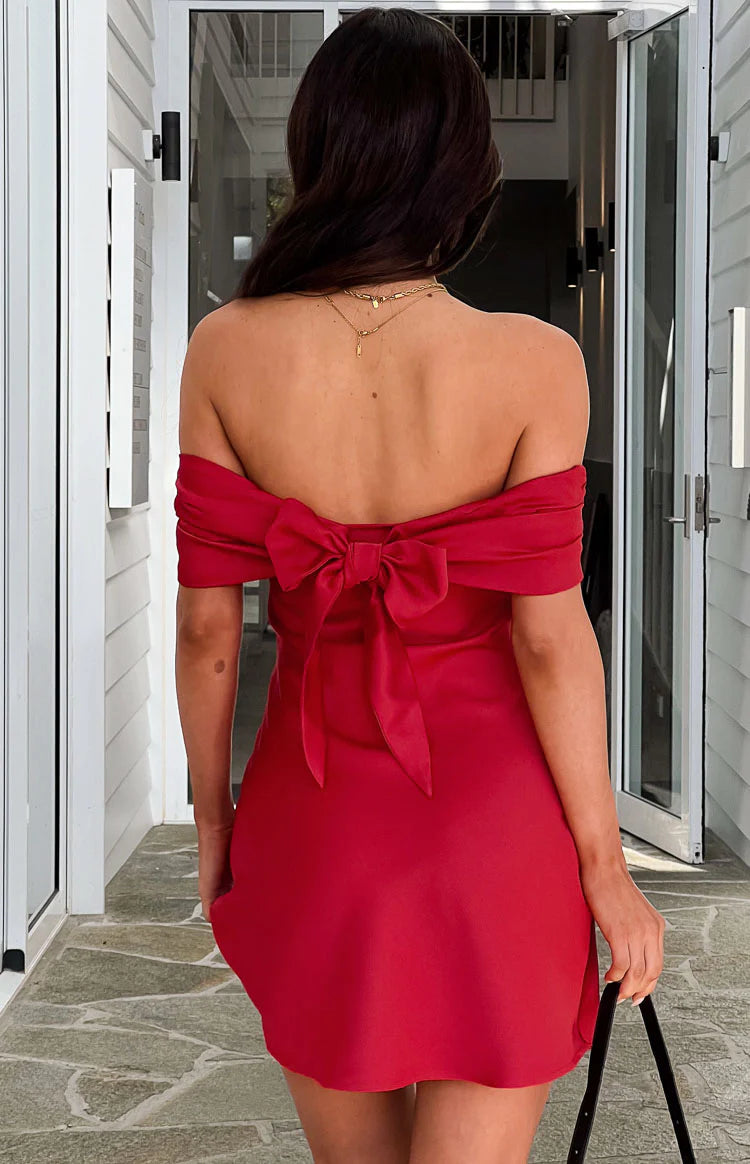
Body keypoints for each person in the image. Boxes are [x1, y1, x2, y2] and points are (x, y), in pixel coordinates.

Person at [173, 8, 665, 1163]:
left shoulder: (225, 349)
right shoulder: (537, 363)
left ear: (317, 146)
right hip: (496, 825)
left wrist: (214, 823)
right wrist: (606, 864)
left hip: (316, 814)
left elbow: (206, 631)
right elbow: (549, 641)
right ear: (463, 165)